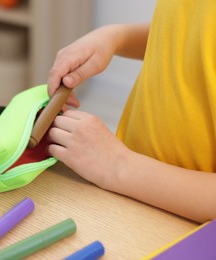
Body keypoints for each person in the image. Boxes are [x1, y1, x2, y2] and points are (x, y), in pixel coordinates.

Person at [46, 0, 216, 223]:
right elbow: (195, 34)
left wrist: (117, 165)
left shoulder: (118, 167)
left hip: (182, 226)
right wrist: (116, 37)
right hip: (128, 190)